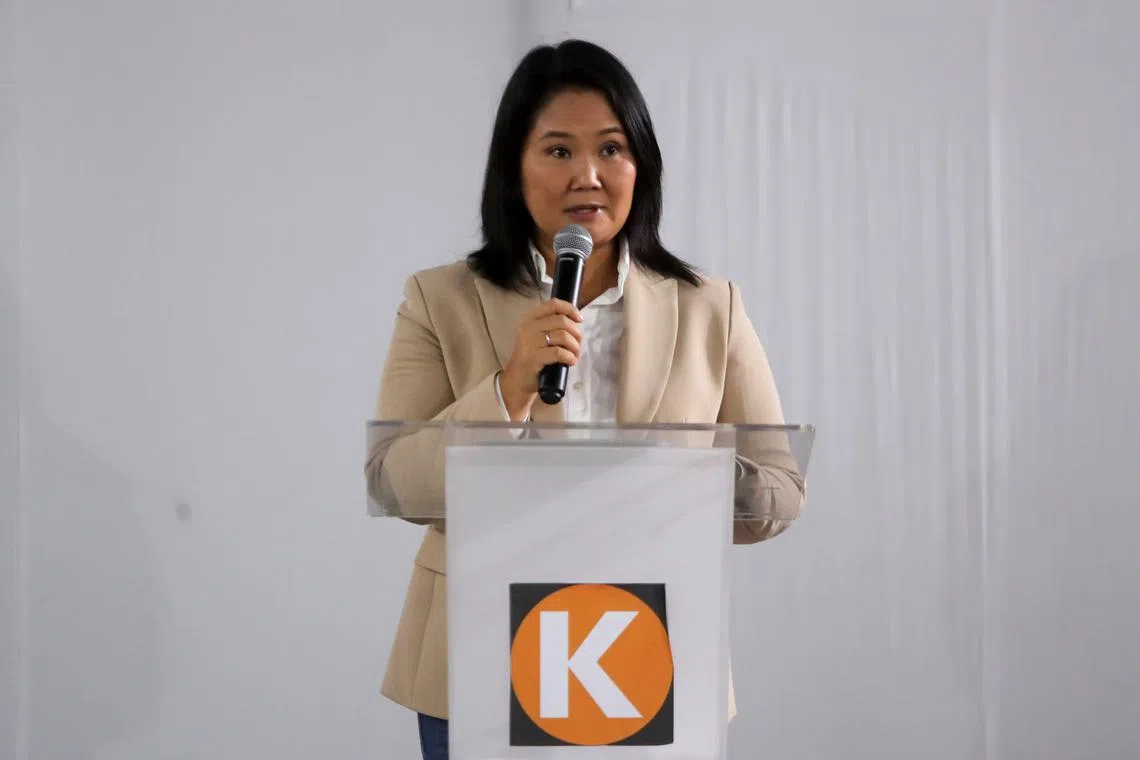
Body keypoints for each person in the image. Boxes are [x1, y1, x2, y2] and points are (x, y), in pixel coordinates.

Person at [366, 39, 805, 760]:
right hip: (481, 656)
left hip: (649, 654)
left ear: (643, 166)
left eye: (612, 148)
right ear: (515, 168)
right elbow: (393, 479)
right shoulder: (438, 299)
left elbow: (781, 492)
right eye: (559, 151)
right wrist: (506, 393)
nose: (589, 176)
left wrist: (686, 482)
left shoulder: (710, 309)